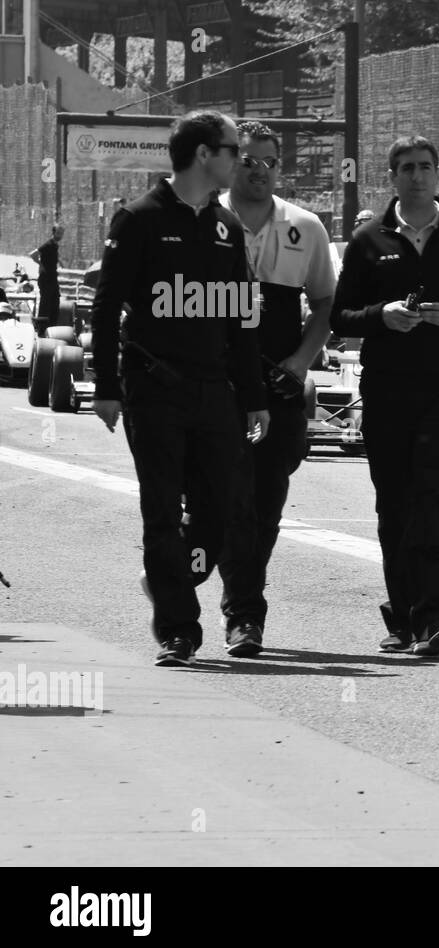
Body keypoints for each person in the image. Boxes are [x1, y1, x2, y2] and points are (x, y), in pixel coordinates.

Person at [90, 109, 270, 667]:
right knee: (162, 510)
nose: (241, 161)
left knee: (222, 508)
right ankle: (177, 629)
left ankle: (170, 578)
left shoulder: (227, 226)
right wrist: (105, 386)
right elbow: (104, 307)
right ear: (202, 154)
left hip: (215, 390)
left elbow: (242, 321)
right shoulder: (139, 218)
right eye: (233, 151)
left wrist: (255, 395)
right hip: (154, 388)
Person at [330, 134, 439, 657]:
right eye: (406, 167)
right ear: (393, 177)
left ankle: (434, 617)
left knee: (430, 496)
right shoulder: (368, 241)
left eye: (425, 166)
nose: (417, 175)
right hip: (385, 390)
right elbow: (339, 318)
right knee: (394, 504)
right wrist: (381, 317)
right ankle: (403, 617)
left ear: (438, 175)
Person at [213, 120, 335, 656]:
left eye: (268, 161)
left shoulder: (306, 227)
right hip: (213, 381)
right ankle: (227, 604)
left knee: (265, 501)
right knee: (219, 500)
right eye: (247, 159)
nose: (257, 170)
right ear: (227, 162)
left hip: (279, 382)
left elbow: (328, 304)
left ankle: (242, 605)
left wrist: (298, 364)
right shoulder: (201, 219)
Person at [29, 224, 63, 337]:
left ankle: (52, 328)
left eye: (62, 233)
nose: (61, 235)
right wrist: (41, 264)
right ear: (53, 233)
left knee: (55, 302)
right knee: (45, 303)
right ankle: (41, 330)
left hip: (53, 278)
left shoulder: (55, 246)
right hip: (46, 278)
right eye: (58, 233)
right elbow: (33, 254)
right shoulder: (48, 244)